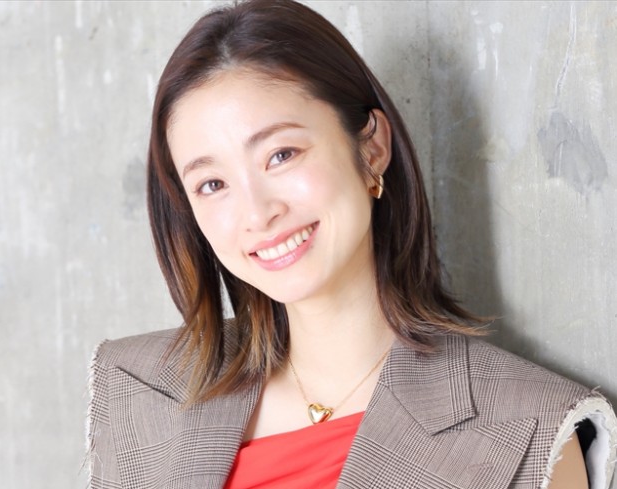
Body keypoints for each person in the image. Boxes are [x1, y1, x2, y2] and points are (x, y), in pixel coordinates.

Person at [87, 1, 617, 488]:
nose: (257, 213)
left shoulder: (524, 429)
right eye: (212, 184)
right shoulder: (140, 394)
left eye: (281, 155)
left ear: (372, 147)